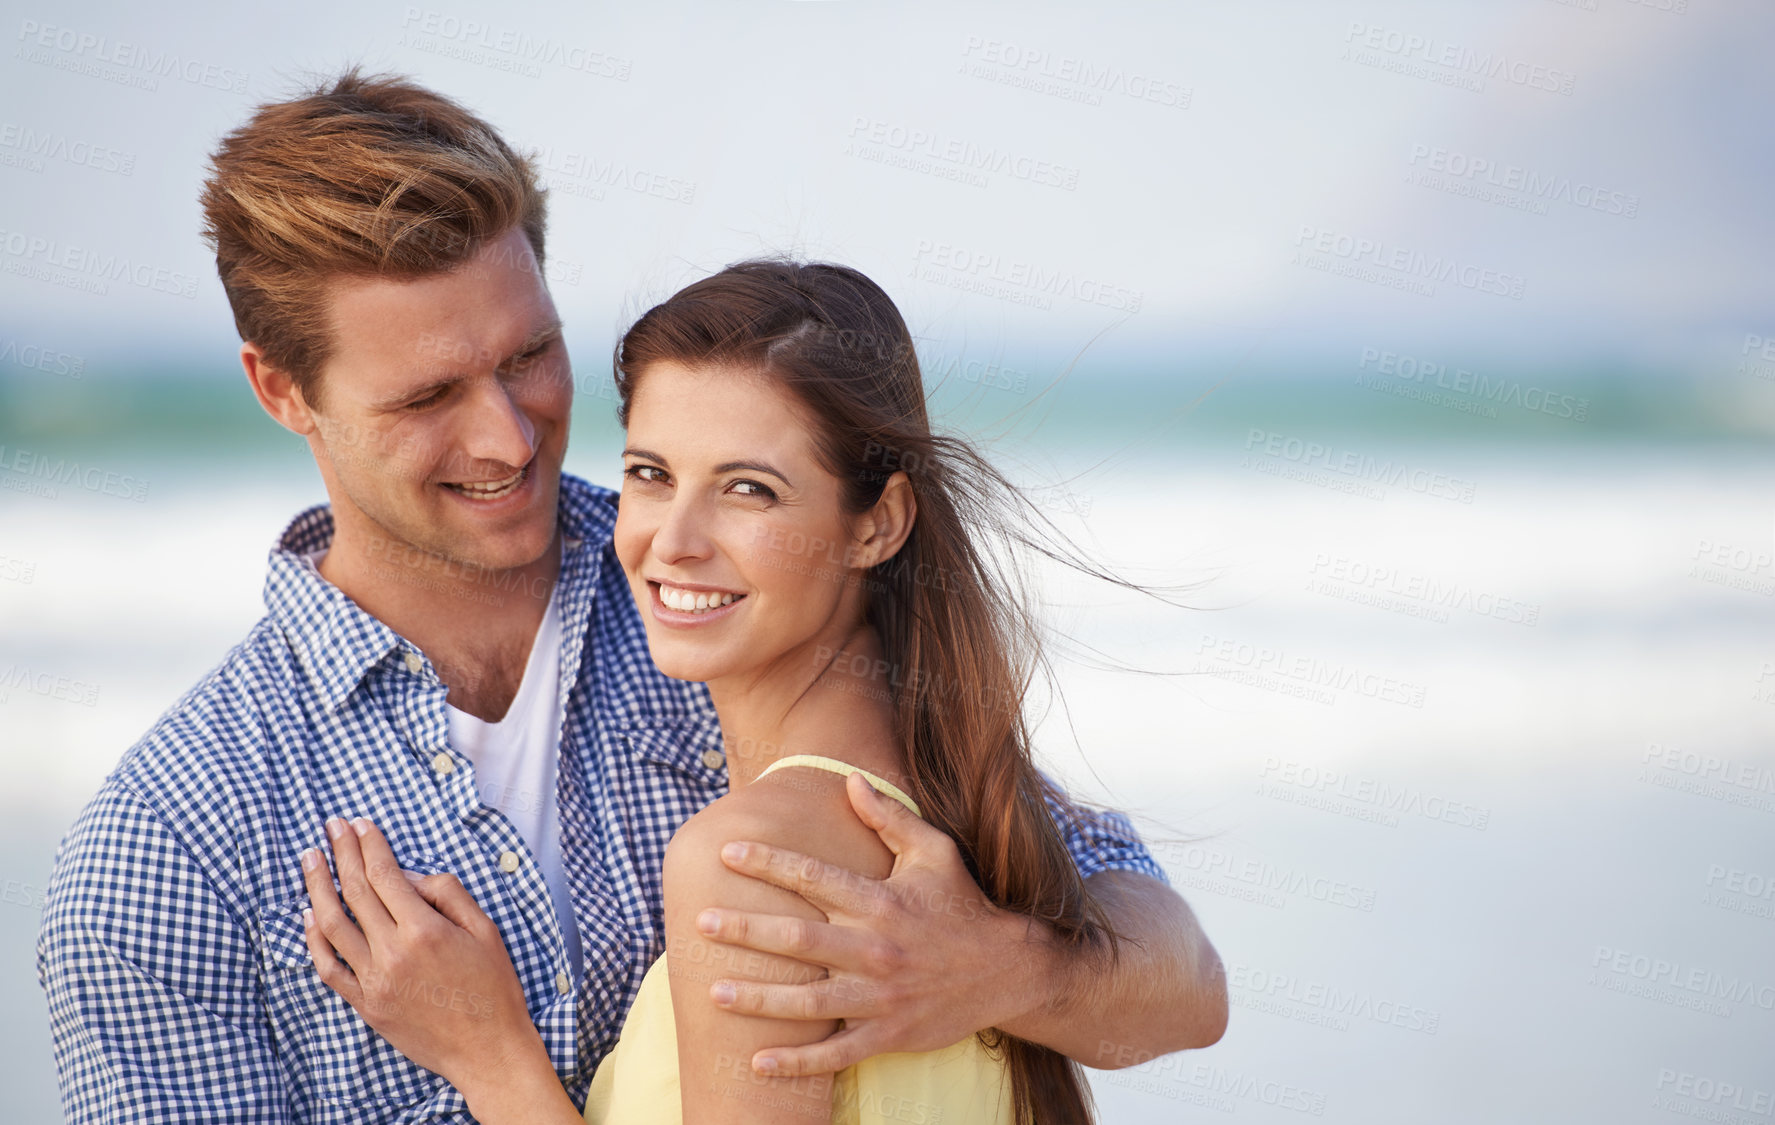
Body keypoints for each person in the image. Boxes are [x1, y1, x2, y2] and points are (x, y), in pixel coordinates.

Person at [35, 71, 1226, 1125]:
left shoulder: (735, 607)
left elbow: (1174, 980)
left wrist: (1008, 973)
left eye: (526, 358)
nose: (505, 436)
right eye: (426, 396)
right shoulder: (175, 849)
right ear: (280, 390)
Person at [299, 258, 1225, 1123]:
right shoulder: (958, 787)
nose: (675, 539)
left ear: (877, 524)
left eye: (748, 489)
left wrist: (493, 1061)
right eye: (650, 474)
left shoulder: (748, 858)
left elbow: (1193, 992)